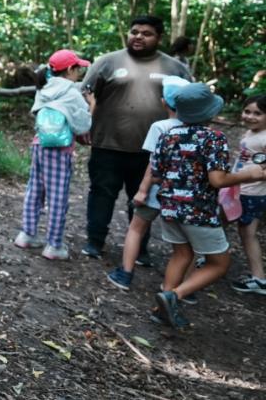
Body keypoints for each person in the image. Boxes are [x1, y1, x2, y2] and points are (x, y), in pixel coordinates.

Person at [149, 83, 266, 328]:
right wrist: (250, 174)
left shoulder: (168, 135)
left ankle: (161, 307)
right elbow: (217, 180)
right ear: (209, 113)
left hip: (169, 206)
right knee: (219, 263)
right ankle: (174, 296)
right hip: (198, 210)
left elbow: (157, 173)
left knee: (181, 254)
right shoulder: (214, 138)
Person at [80, 15, 191, 261]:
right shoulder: (107, 62)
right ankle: (94, 242)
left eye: (146, 33)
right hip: (107, 143)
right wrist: (82, 125)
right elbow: (85, 94)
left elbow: (188, 104)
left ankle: (139, 250)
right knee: (101, 193)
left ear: (159, 38)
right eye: (134, 31)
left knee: (142, 200)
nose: (138, 36)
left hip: (153, 151)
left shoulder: (175, 68)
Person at [106, 77, 189, 291]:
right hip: (183, 192)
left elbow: (154, 163)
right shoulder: (198, 129)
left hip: (156, 189)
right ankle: (181, 287)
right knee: (183, 243)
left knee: (136, 228)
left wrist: (142, 190)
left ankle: (125, 273)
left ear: (163, 102)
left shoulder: (160, 127)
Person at [14, 49, 92, 260]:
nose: (80, 73)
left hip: (39, 143)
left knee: (35, 190)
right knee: (57, 196)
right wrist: (91, 105)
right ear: (69, 69)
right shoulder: (72, 93)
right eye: (78, 69)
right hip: (59, 149)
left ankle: (27, 235)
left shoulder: (44, 87)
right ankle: (54, 246)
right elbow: (83, 125)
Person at [230, 94, 266, 294]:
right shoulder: (250, 133)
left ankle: (207, 257)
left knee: (246, 233)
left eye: (258, 114)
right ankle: (259, 278)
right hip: (238, 189)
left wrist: (255, 175)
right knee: (246, 233)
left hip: (252, 193)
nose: (250, 116)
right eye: (247, 111)